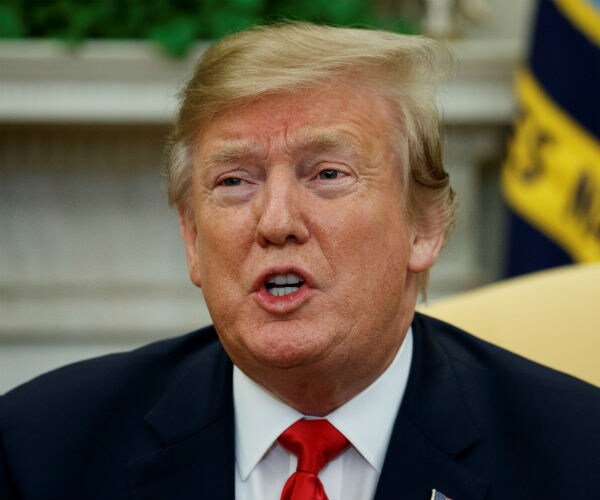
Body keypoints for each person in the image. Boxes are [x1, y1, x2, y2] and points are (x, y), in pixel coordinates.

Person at [1, 22, 599, 500]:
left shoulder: (577, 453)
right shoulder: (42, 447)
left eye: (328, 174)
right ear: (191, 237)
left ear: (425, 226)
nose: (276, 221)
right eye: (235, 181)